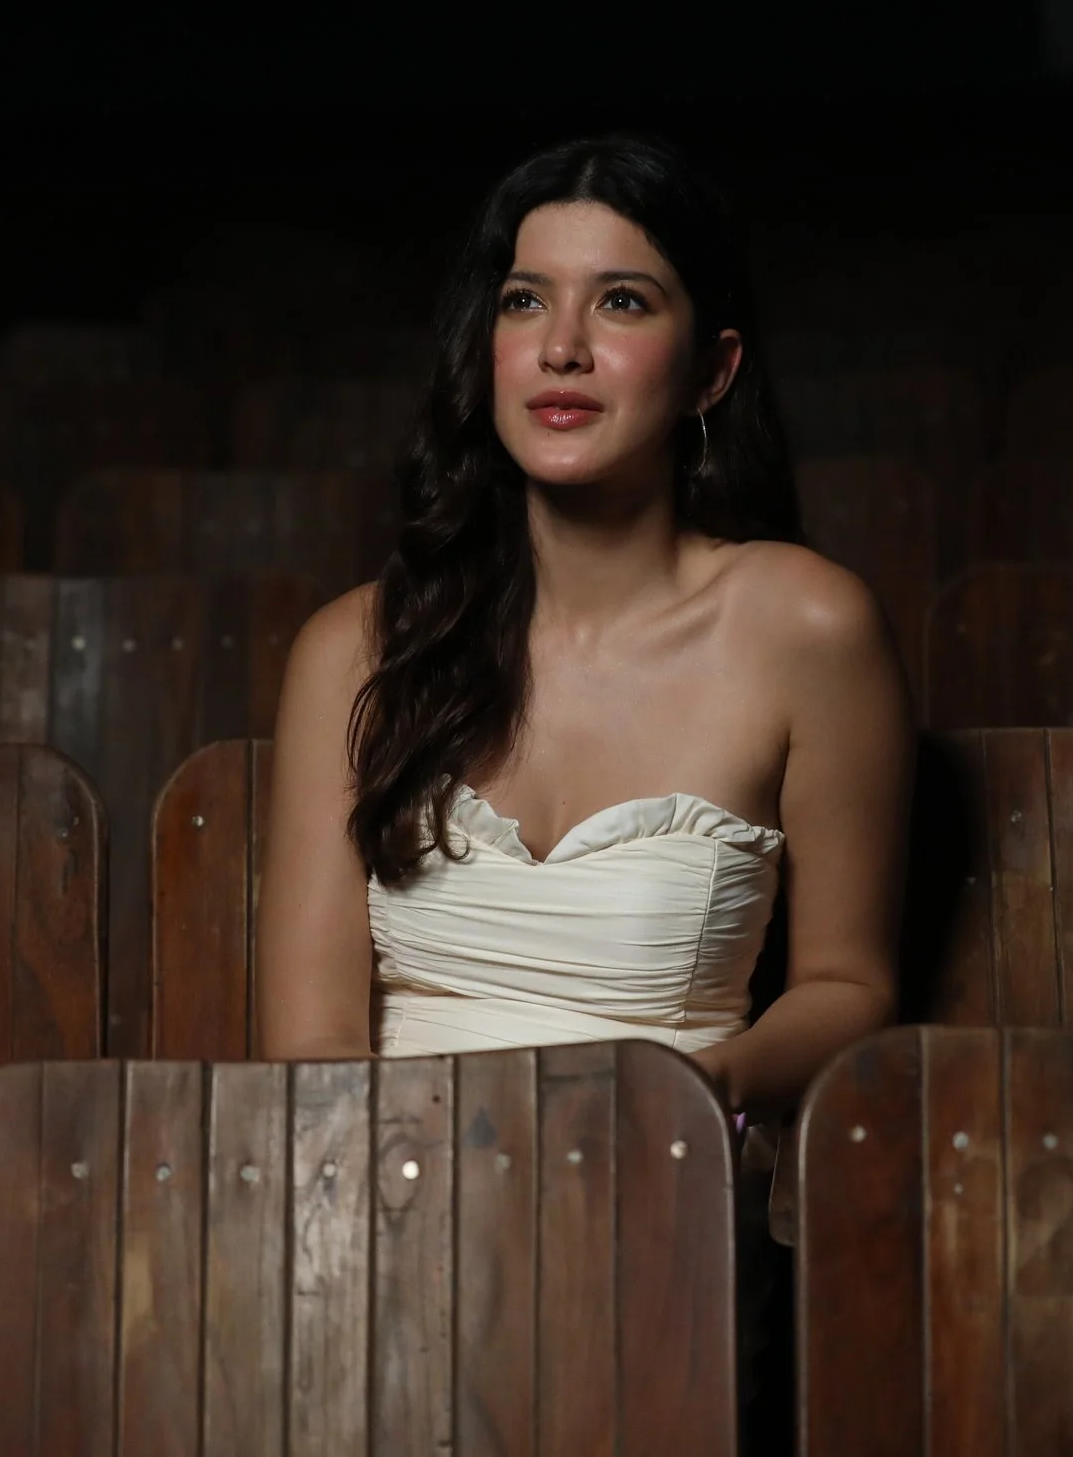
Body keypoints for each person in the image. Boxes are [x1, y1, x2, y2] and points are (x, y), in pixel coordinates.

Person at [255, 134, 911, 1130]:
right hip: (392, 1201)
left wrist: (705, 1089)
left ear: (711, 371)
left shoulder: (807, 626)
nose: (562, 345)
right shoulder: (354, 651)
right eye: (525, 300)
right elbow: (310, 1048)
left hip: (663, 1182)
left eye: (622, 301)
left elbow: (846, 984)